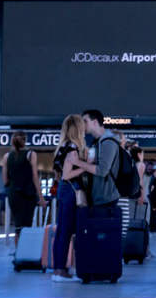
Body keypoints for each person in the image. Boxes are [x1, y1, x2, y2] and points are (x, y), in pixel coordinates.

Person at [51, 115, 87, 282]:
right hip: (72, 191)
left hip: (63, 191)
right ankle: (60, 271)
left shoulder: (61, 148)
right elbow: (67, 175)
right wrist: (86, 167)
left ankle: (59, 268)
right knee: (66, 232)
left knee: (61, 231)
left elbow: (59, 175)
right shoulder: (73, 148)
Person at [2, 131, 46, 246]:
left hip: (13, 195)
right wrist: (41, 198)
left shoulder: (7, 156)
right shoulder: (31, 154)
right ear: (25, 140)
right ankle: (24, 255)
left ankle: (18, 255)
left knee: (18, 226)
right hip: (28, 195)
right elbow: (35, 177)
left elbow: (5, 180)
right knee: (26, 226)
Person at [73, 110, 120, 208]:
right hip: (98, 199)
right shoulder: (96, 142)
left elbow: (102, 170)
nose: (82, 125)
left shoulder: (108, 142)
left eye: (85, 121)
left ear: (95, 122)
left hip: (106, 201)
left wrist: (77, 162)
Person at [128, 147, 147, 223]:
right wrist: (142, 195)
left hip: (129, 191)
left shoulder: (131, 163)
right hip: (136, 192)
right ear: (139, 154)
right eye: (143, 154)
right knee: (137, 216)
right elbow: (140, 180)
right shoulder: (141, 164)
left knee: (130, 213)